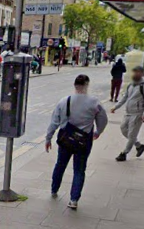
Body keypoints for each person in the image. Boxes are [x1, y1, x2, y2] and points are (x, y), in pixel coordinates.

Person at [46, 74, 108, 210]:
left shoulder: (64, 101)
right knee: (79, 170)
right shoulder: (94, 102)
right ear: (87, 85)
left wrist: (48, 138)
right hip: (84, 141)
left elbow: (54, 122)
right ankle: (74, 200)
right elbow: (103, 120)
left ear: (75, 86)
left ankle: (54, 189)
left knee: (60, 164)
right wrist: (98, 132)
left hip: (65, 140)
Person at [111, 65, 144, 162]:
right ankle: (139, 146)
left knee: (132, 135)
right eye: (134, 72)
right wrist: (115, 107)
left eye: (137, 72)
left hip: (138, 114)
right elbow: (125, 97)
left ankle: (124, 153)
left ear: (142, 73)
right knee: (123, 129)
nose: (135, 74)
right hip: (128, 112)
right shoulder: (131, 85)